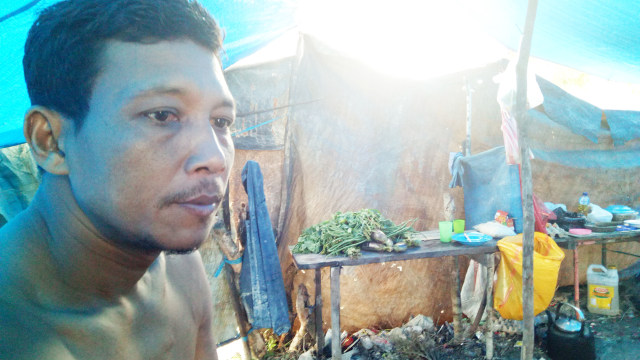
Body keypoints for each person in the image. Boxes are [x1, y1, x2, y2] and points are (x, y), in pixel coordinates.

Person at [0, 0, 235, 359]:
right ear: (50, 141)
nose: (215, 158)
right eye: (162, 115)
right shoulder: (15, 332)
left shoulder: (180, 271)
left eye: (220, 121)